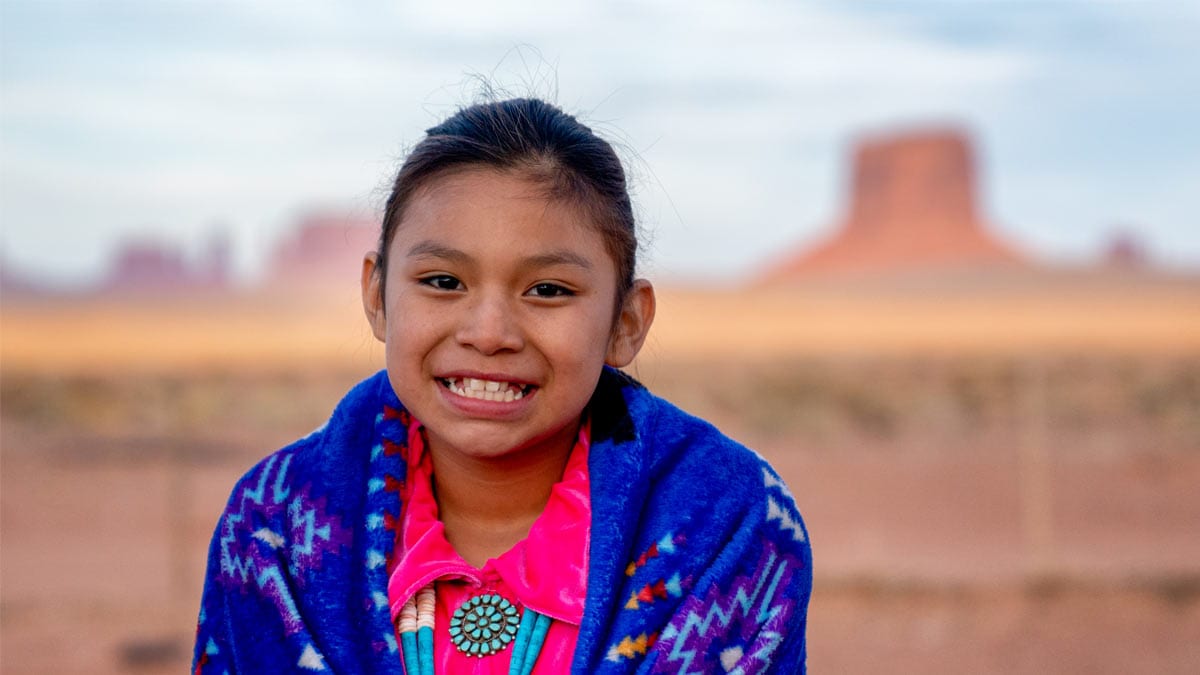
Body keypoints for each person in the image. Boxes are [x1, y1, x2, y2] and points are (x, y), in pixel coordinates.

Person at [193, 97, 811, 674]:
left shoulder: (727, 525)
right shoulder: (273, 529)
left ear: (625, 324)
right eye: (442, 281)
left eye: (548, 290)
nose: (489, 334)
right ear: (378, 297)